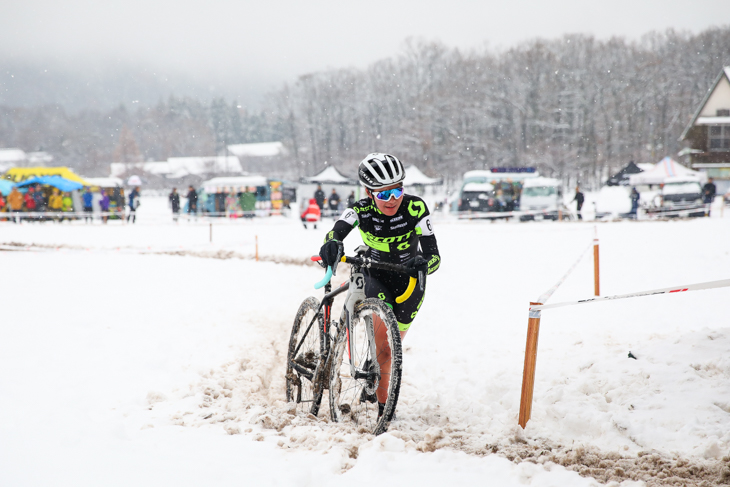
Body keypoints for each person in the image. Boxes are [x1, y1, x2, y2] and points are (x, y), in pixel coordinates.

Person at [318, 153, 440, 418]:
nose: (392, 199)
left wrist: (423, 263)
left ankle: (376, 374)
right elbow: (336, 230)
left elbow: (435, 258)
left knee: (388, 351)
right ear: (368, 192)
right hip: (375, 275)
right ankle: (385, 411)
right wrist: (332, 243)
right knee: (385, 350)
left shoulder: (415, 208)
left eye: (397, 190)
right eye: (383, 194)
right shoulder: (360, 210)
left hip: (410, 282)